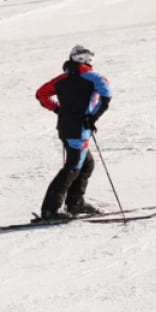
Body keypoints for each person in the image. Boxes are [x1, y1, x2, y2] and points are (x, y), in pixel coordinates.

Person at [32, 45, 112, 221]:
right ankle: (50, 210)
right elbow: (106, 95)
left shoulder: (61, 78)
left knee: (86, 164)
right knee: (73, 168)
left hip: (65, 128)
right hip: (79, 130)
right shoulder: (94, 77)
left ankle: (75, 203)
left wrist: (58, 109)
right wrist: (93, 117)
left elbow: (41, 94)